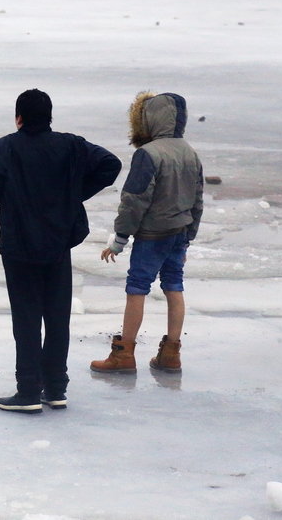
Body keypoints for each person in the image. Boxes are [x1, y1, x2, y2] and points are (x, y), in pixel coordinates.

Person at [0, 89, 121, 413]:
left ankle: (27, 391)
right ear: (50, 117)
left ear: (19, 117)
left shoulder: (5, 147)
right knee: (56, 318)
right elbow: (111, 164)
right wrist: (72, 194)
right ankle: (55, 388)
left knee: (26, 319)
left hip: (19, 245)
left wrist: (10, 199)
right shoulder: (70, 145)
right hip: (57, 243)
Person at [91, 92, 204, 375]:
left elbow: (134, 200)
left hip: (153, 235)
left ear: (151, 119)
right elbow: (198, 199)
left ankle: (124, 353)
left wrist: (119, 239)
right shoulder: (190, 152)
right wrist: (188, 238)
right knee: (174, 286)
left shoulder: (148, 154)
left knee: (137, 288)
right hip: (179, 232)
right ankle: (171, 354)